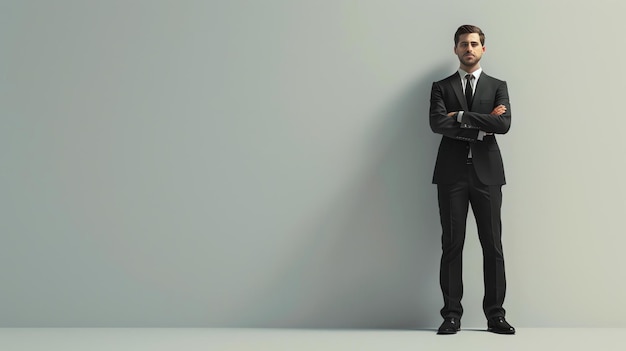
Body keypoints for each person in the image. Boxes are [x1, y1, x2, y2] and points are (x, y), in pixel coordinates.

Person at [429, 24, 515, 335]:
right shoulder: (441, 86)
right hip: (451, 174)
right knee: (452, 244)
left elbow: (503, 124)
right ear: (455, 48)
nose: (469, 48)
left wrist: (462, 117)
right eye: (464, 43)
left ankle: (496, 315)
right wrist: (482, 126)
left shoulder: (497, 85)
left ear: (483, 49)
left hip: (487, 175)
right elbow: (437, 123)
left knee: (492, 245)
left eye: (474, 44)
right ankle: (452, 315)